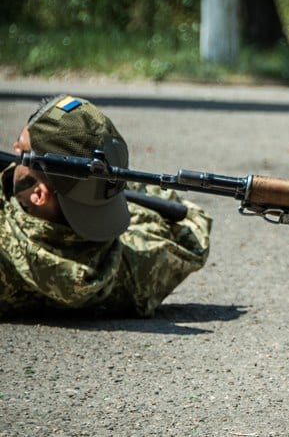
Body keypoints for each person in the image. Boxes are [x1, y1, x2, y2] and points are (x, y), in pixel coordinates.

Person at [1, 94, 212, 318]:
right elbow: (191, 222)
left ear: (39, 194)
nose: (14, 149)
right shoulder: (137, 266)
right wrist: (103, 187)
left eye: (21, 152)